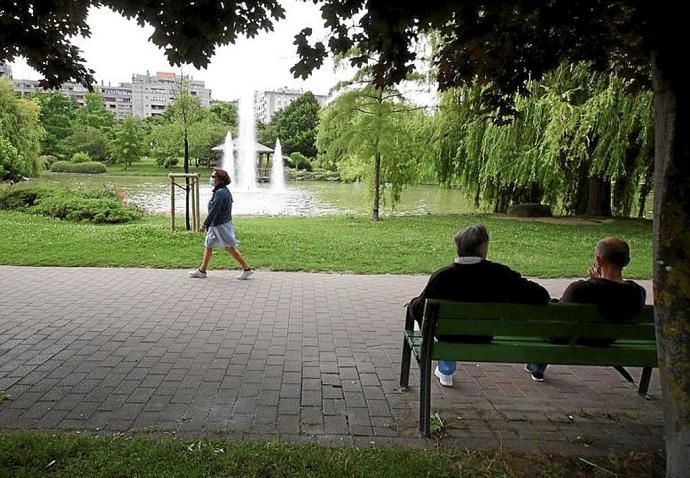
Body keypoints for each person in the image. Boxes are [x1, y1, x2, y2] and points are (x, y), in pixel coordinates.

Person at [408, 224, 550, 387]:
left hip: (448, 336)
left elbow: (419, 310)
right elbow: (541, 296)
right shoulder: (500, 274)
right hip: (483, 335)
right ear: (484, 249)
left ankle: (446, 369)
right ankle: (445, 368)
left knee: (429, 321)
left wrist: (412, 304)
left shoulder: (442, 277)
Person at [525, 236, 646, 381]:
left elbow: (559, 318)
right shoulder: (637, 293)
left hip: (568, 338)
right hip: (605, 339)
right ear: (627, 261)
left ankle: (537, 364)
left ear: (599, 260)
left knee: (547, 321)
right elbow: (609, 292)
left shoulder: (582, 289)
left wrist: (593, 281)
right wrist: (597, 280)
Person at [189, 168, 253, 280]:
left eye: (214, 177)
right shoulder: (220, 191)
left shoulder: (221, 193)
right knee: (208, 245)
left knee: (229, 248)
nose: (211, 178)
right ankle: (202, 271)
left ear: (221, 179)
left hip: (220, 225)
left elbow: (214, 210)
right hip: (216, 225)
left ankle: (247, 269)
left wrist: (204, 225)